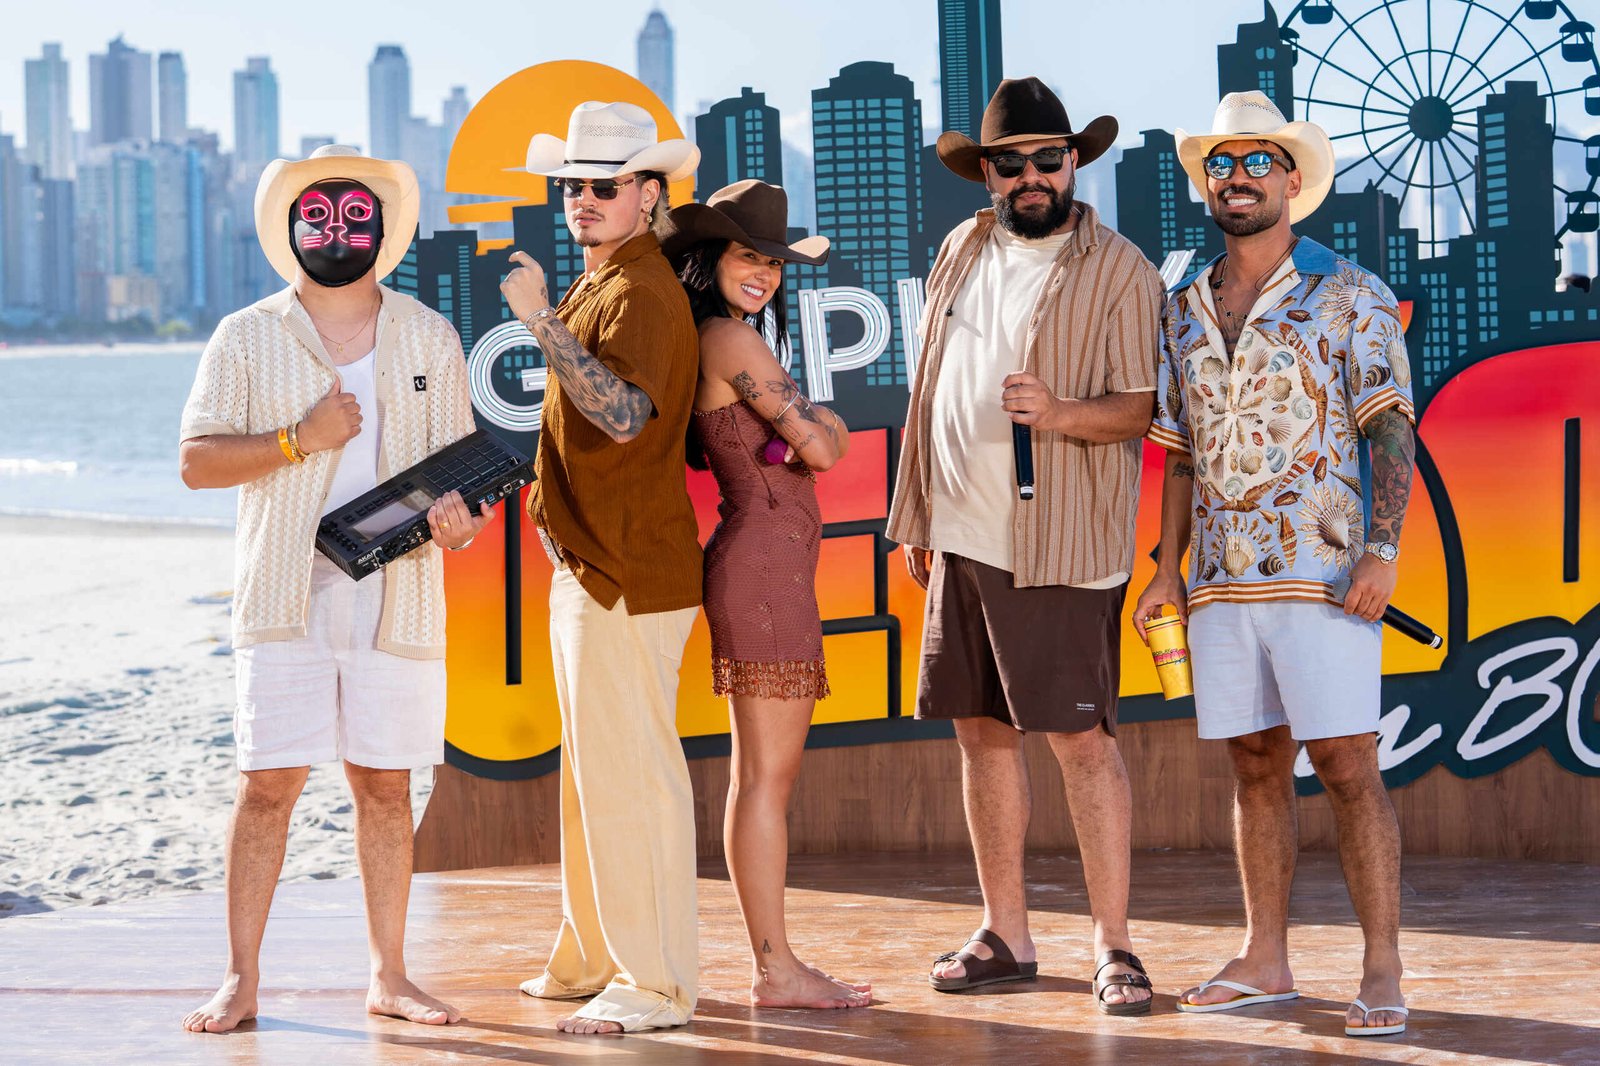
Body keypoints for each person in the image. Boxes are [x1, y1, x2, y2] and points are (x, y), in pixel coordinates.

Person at [177, 145, 490, 1034]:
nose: (337, 230)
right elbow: (195, 462)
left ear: (382, 231)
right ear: (290, 230)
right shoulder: (246, 335)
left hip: (400, 593)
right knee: (267, 785)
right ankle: (240, 979)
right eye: (317, 215)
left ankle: (390, 975)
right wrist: (298, 439)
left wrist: (462, 525)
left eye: (356, 216)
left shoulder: (429, 335)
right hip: (284, 593)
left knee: (385, 787)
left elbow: (460, 474)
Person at [1134, 91, 1416, 1039]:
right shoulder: (1182, 305)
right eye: (1221, 163)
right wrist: (1165, 568)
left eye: (1258, 160)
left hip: (1323, 575)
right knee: (1255, 764)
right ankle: (1266, 958)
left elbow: (1391, 430)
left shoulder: (1351, 291)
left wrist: (1383, 550)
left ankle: (1382, 966)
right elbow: (1179, 451)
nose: (1238, 177)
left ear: (1293, 178)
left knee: (1346, 763)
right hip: (1218, 580)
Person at [886, 78, 1165, 1014]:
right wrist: (918, 513)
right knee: (980, 734)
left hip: (1059, 545)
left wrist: (1057, 412)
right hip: (959, 537)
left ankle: (1115, 945)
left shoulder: (1121, 269)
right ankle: (1005, 934)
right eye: (1012, 163)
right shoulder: (961, 246)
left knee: (1081, 742)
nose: (1031, 175)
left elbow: (1139, 410)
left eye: (1049, 158)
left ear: (1074, 162)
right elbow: (930, 386)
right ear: (988, 174)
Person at [498, 101, 704, 1035]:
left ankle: (653, 983)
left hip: (628, 571)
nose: (582, 198)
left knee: (632, 784)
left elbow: (622, 416)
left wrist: (537, 318)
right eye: (572, 185)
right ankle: (591, 958)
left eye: (604, 185)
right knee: (593, 779)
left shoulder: (643, 291)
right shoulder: (604, 283)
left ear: (648, 194)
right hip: (594, 565)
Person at [662, 179, 868, 1010]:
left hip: (767, 571)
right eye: (749, 255)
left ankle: (774, 964)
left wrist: (813, 428)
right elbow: (823, 449)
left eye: (775, 263)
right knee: (765, 785)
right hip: (762, 576)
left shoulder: (726, 337)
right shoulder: (728, 339)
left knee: (758, 781)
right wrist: (819, 425)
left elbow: (813, 439)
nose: (765, 273)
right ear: (710, 260)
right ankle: (776, 970)